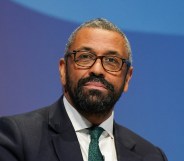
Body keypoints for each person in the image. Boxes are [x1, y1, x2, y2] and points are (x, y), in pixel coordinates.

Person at [0, 18, 167, 161]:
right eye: (85, 57)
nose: (97, 69)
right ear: (63, 70)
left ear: (127, 78)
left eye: (111, 60)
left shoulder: (151, 155)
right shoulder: (16, 137)